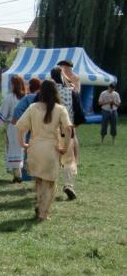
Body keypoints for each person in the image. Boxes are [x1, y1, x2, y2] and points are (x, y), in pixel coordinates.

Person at [16, 80, 72, 221]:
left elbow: (20, 126)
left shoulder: (33, 107)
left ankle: (39, 205)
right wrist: (64, 147)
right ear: (55, 92)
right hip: (51, 150)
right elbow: (68, 129)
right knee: (50, 183)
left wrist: (22, 143)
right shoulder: (60, 109)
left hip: (35, 148)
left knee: (39, 181)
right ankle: (43, 213)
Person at [51, 67, 85, 200]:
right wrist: (73, 126)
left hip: (49, 131)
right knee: (68, 160)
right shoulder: (71, 92)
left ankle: (51, 185)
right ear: (63, 76)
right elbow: (80, 115)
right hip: (66, 130)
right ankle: (68, 185)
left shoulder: (46, 93)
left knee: (52, 159)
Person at [0, 75, 26, 183]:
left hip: (14, 126)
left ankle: (18, 174)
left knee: (13, 148)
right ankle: (19, 173)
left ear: (14, 85)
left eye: (11, 84)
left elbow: (3, 112)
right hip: (26, 127)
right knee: (21, 148)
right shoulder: (26, 97)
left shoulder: (10, 97)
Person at [11, 78, 42, 181]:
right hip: (49, 133)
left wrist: (24, 124)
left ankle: (29, 176)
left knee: (30, 154)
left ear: (31, 86)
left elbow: (17, 111)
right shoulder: (50, 99)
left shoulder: (28, 98)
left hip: (32, 131)